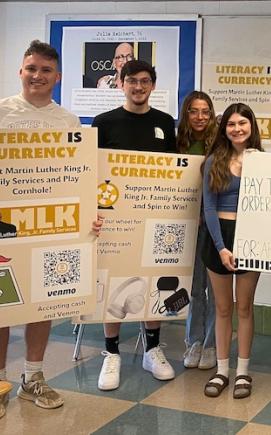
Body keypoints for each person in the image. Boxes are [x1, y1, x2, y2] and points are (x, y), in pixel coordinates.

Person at [0, 40, 102, 418]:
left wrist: (88, 214)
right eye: (31, 68)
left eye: (45, 70)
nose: (37, 76)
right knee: (3, 305)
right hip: (7, 227)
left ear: (57, 77)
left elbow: (77, 177)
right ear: (20, 71)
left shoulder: (68, 121)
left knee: (40, 302)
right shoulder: (3, 112)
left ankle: (33, 377)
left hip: (49, 225)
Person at [93, 59, 177, 391]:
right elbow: (92, 171)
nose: (138, 86)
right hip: (113, 218)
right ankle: (111, 353)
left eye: (145, 81)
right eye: (132, 81)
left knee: (153, 279)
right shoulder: (103, 122)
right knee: (112, 280)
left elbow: (173, 170)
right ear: (120, 83)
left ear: (153, 85)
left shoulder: (164, 123)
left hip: (153, 216)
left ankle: (152, 349)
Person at [201, 103, 262, 399]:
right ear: (224, 129)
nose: (237, 128)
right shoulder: (214, 160)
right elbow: (209, 207)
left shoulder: (264, 162)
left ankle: (243, 372)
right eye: (231, 124)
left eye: (242, 123)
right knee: (223, 308)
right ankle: (222, 369)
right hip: (219, 238)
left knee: (244, 307)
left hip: (251, 236)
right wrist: (221, 247)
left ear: (252, 126)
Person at [177, 91, 218, 370]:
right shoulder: (177, 143)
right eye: (194, 111)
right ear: (186, 113)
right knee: (193, 287)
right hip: (187, 223)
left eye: (205, 111)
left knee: (216, 288)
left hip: (214, 224)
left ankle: (212, 344)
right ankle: (193, 341)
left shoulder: (219, 143)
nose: (200, 117)